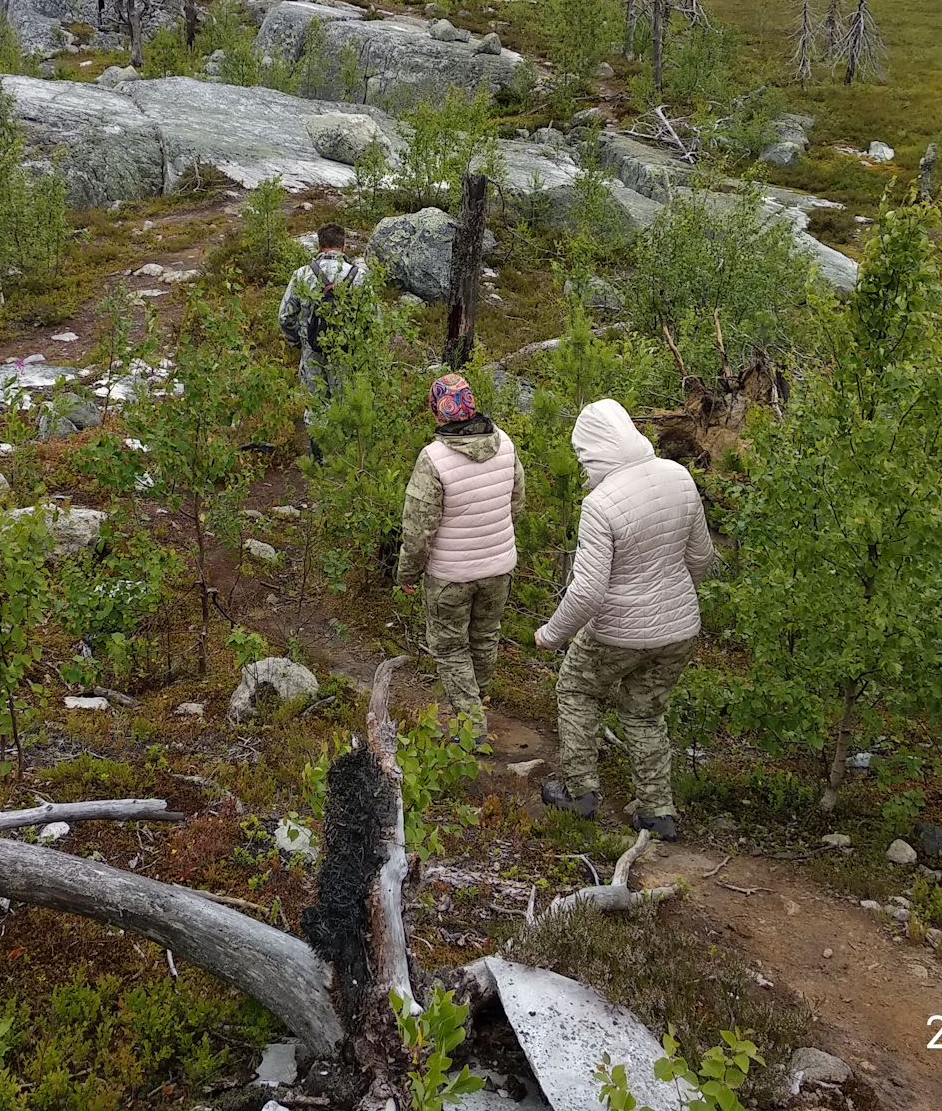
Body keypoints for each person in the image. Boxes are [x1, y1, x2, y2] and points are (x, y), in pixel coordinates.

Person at [534, 398, 716, 840]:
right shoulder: (679, 476)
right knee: (645, 714)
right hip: (679, 630)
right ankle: (657, 812)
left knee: (576, 689)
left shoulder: (601, 503)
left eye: (582, 456)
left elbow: (589, 591)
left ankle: (581, 793)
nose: (581, 464)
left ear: (593, 451)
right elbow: (702, 559)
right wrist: (667, 593)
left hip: (618, 631)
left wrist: (551, 634)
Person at [395, 374, 523, 750]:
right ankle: (477, 701)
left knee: (450, 649)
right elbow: (516, 505)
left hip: (450, 575)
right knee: (484, 637)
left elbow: (419, 529)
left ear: (438, 409)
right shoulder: (507, 446)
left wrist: (407, 572)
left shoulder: (433, 459)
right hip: (499, 567)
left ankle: (471, 726)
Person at [277, 223, 364, 406]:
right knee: (345, 404)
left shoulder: (302, 275)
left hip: (312, 352)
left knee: (316, 405)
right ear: (343, 245)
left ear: (319, 246)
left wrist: (299, 342)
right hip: (346, 353)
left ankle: (315, 435)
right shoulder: (359, 277)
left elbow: (285, 316)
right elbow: (374, 320)